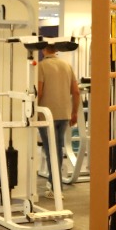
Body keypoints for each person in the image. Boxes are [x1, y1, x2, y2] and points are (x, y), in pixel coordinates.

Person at [36, 44, 80, 186]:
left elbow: (39, 92)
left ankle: (55, 186)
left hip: (47, 115)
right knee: (58, 149)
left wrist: (34, 111)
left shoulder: (41, 66)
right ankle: (56, 183)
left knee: (51, 150)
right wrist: (74, 112)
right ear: (56, 50)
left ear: (43, 50)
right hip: (64, 114)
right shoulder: (67, 66)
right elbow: (76, 92)